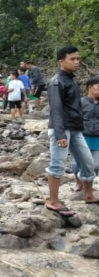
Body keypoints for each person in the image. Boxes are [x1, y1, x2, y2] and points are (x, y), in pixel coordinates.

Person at [45, 46, 99, 217]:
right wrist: (60, 134)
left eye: (77, 59)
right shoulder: (56, 82)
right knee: (58, 164)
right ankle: (53, 201)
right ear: (61, 61)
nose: (76, 62)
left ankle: (88, 194)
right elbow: (56, 109)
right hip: (61, 129)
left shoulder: (70, 80)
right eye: (72, 59)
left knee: (88, 163)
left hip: (75, 130)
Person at [69, 76, 99, 192]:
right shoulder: (81, 102)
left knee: (96, 165)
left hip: (97, 137)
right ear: (90, 88)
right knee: (77, 163)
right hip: (82, 136)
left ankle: (88, 186)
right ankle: (78, 183)